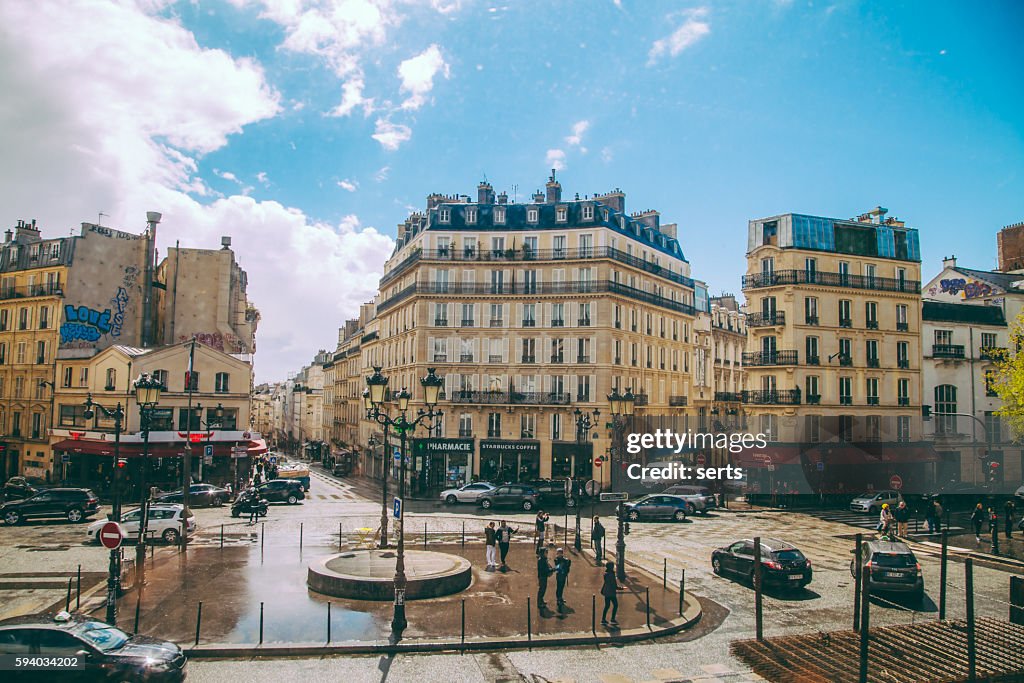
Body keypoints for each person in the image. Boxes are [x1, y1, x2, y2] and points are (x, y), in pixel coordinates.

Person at [600, 561, 622, 626]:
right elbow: (613, 584)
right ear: (611, 567)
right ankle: (612, 619)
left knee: (607, 606)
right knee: (615, 605)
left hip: (607, 592)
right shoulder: (611, 574)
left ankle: (603, 619)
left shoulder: (606, 574)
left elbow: (606, 583)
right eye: (612, 566)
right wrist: (620, 588)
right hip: (611, 592)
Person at [536, 544, 553, 609]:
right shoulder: (541, 561)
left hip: (544, 576)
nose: (547, 554)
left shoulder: (544, 559)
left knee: (544, 588)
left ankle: (541, 600)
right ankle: (539, 603)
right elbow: (544, 569)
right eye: (546, 552)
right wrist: (551, 570)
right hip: (542, 577)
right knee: (542, 589)